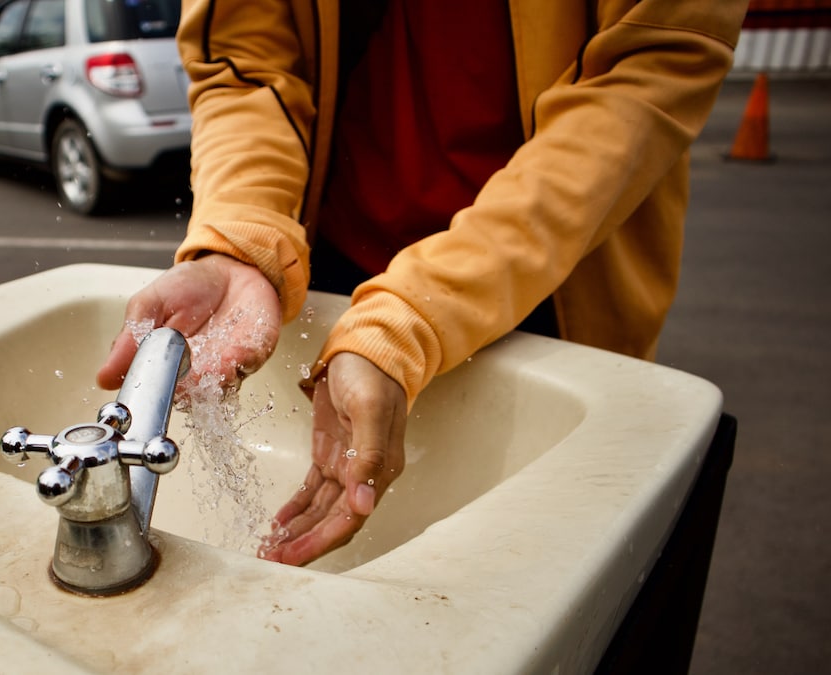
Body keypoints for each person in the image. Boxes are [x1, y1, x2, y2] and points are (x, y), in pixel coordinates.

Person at [97, 0, 749, 566]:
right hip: (336, 278)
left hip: (553, 282)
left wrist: (410, 315)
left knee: (533, 570)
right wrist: (242, 238)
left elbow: (644, 73)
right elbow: (244, 57)